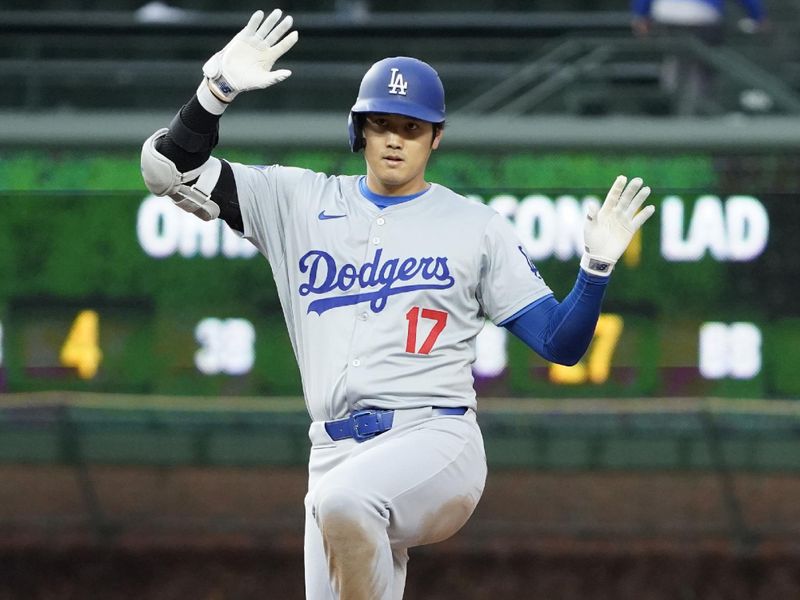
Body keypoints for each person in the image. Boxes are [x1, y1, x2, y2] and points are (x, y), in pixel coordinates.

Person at [140, 9, 654, 599]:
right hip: (332, 450)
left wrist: (595, 271)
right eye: (381, 123)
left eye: (411, 127)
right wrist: (215, 93)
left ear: (436, 136)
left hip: (434, 441)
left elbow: (562, 345)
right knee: (340, 504)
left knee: (345, 501)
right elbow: (167, 170)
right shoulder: (297, 202)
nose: (394, 138)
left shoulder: (475, 227)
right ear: (359, 130)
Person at [631, 0, 767, 115]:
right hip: (701, 16)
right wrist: (757, 16)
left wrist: (641, 15)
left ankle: (685, 111)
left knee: (682, 64)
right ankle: (691, 112)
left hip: (670, 15)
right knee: (695, 67)